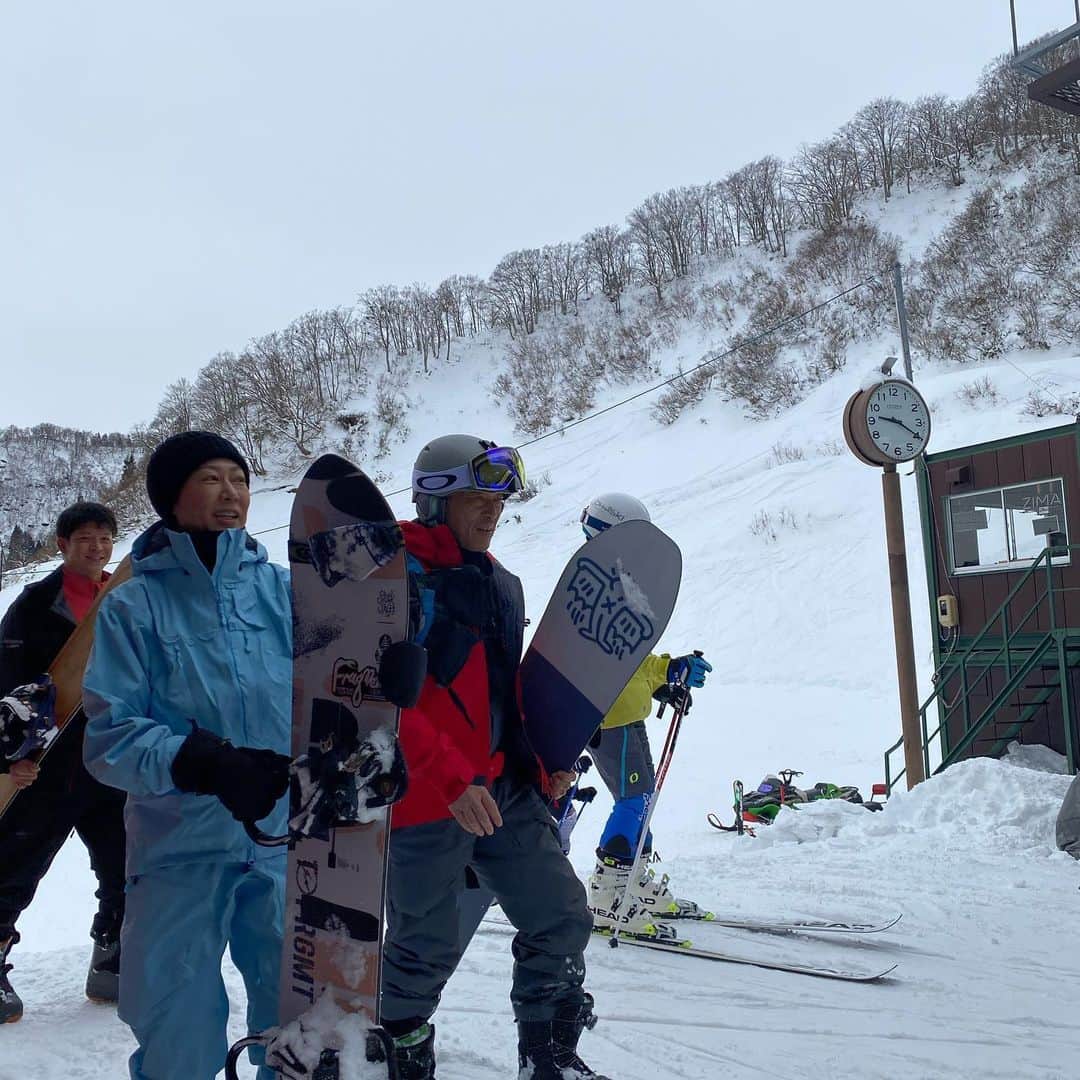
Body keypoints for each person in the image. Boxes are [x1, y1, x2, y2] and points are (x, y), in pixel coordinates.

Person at [382, 434, 608, 1080]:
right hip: (428, 793)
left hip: (504, 788)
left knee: (561, 916)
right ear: (433, 502)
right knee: (423, 945)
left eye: (499, 499)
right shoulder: (390, 577)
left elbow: (508, 693)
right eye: (476, 499)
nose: (492, 511)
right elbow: (374, 696)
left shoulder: (501, 585)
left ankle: (549, 1056)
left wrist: (544, 766)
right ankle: (398, 1058)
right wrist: (449, 777)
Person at [82, 432, 292, 1080]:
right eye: (211, 477)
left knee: (302, 1024)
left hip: (283, 838)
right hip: (178, 844)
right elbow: (110, 737)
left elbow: (340, 691)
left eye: (241, 477)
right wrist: (200, 762)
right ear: (173, 496)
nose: (232, 493)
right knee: (176, 1023)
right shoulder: (133, 605)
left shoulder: (283, 591)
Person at [0, 501, 126, 1023]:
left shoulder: (123, 598)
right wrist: (11, 759)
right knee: (14, 870)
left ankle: (112, 956)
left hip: (113, 758)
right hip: (49, 766)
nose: (96, 549)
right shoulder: (34, 605)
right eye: (84, 540)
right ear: (62, 545)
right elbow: (7, 687)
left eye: (104, 539)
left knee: (124, 864)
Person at [578, 493, 712, 936]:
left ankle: (632, 882)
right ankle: (606, 894)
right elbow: (597, 662)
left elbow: (634, 659)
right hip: (609, 719)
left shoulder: (619, 586)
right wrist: (659, 677)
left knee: (642, 802)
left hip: (628, 714)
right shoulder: (594, 589)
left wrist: (666, 676)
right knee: (633, 802)